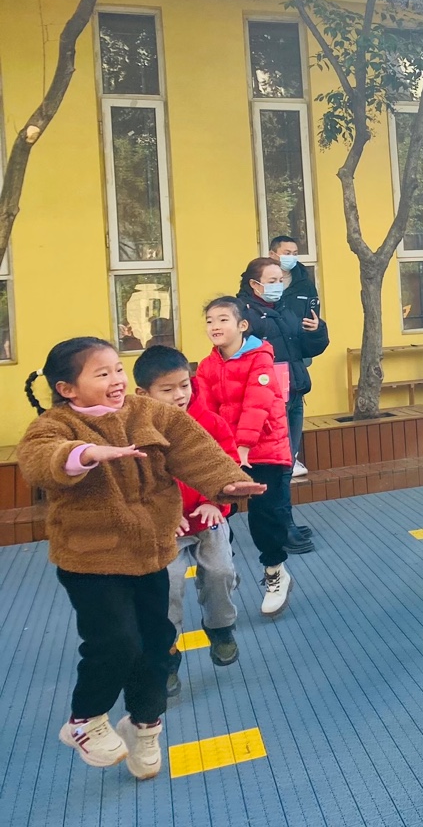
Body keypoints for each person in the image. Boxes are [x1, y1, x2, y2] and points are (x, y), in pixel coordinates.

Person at [18, 338, 262, 779]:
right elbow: (38, 459)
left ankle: (145, 726)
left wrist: (226, 483)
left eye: (117, 369)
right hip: (91, 560)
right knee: (116, 642)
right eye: (102, 373)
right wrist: (85, 453)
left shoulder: (148, 412)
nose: (116, 379)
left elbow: (195, 448)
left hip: (151, 551)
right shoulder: (55, 424)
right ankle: (85, 720)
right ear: (67, 389)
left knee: (157, 643)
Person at [133, 346, 243, 696]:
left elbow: (227, 465)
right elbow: (135, 484)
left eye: (184, 385)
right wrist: (161, 516)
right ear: (143, 394)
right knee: (167, 586)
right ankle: (166, 655)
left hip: (207, 518)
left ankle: (221, 629)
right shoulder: (137, 433)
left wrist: (215, 501)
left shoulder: (210, 422)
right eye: (167, 389)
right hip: (166, 529)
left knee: (221, 573)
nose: (179, 395)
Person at [193, 296, 298, 617]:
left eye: (223, 319)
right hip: (228, 451)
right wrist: (217, 451)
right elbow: (206, 412)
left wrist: (243, 447)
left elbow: (258, 402)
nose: (214, 326)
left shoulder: (260, 358)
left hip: (265, 450)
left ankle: (275, 573)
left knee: (266, 515)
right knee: (217, 511)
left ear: (242, 325)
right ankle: (224, 567)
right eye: (210, 321)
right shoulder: (207, 366)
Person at [237, 256, 324, 554]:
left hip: (294, 393)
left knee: (288, 461)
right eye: (271, 281)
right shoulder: (244, 315)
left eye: (280, 280)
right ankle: (281, 527)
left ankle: (286, 521)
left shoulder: (284, 308)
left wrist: (316, 330)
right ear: (254, 284)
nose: (278, 285)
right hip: (268, 402)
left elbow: (303, 349)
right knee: (277, 466)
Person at [266, 236, 327, 477]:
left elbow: (314, 318)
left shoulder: (305, 284)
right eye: (286, 252)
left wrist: (317, 328)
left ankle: (291, 457)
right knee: (275, 409)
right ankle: (279, 460)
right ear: (273, 254)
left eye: (294, 252)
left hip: (297, 356)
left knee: (294, 405)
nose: (291, 257)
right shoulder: (263, 283)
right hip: (272, 361)